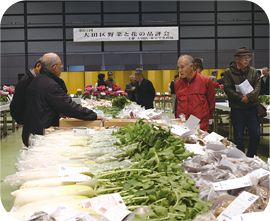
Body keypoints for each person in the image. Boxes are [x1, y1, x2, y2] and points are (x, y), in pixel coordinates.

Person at [22, 53, 104, 147]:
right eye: (61, 65)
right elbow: (68, 106)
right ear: (55, 67)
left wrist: (56, 112)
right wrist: (92, 115)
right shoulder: (50, 85)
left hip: (31, 130)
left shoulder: (36, 81)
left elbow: (40, 105)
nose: (62, 67)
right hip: (41, 133)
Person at [223, 46, 260, 157]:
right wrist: (240, 98)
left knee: (256, 134)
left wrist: (249, 97)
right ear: (237, 58)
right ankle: (240, 158)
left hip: (251, 108)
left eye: (248, 57)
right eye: (244, 57)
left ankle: (250, 156)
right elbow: (227, 88)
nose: (247, 59)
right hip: (237, 109)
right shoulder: (229, 72)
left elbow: (257, 86)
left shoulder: (253, 71)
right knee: (238, 137)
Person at [174, 55, 215, 131]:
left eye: (182, 67)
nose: (180, 70)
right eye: (178, 67)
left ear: (191, 66)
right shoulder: (177, 84)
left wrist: (205, 119)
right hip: (183, 125)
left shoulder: (205, 81)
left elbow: (211, 103)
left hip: (200, 126)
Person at [10, 58, 42, 125]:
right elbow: (16, 105)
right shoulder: (25, 81)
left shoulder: (35, 80)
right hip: (29, 123)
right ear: (38, 66)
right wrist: (23, 121)